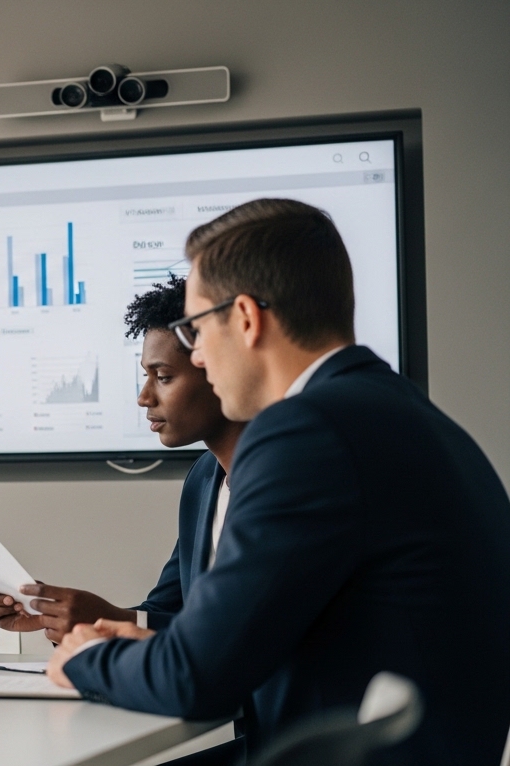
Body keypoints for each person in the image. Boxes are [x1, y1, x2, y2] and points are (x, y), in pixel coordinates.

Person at [46, 199, 510, 765]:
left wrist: (84, 658)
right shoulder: (404, 413)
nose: (198, 356)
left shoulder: (306, 431)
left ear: (245, 318)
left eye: (195, 330)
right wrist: (159, 644)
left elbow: (195, 679)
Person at [0, 275, 245, 643]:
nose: (144, 397)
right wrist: (67, 616)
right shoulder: (203, 479)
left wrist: (105, 620)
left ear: (217, 368)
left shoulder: (280, 477)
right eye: (146, 375)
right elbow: (169, 613)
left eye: (163, 376)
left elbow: (237, 631)